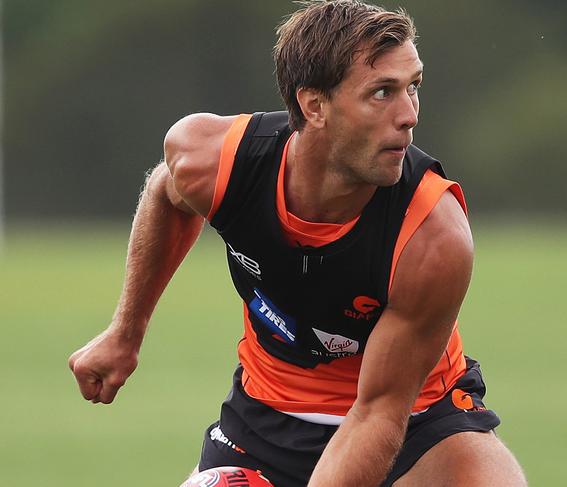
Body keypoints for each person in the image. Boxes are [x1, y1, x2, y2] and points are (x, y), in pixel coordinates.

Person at [68, 1, 527, 485]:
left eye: (413, 87)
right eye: (381, 93)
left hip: (418, 421)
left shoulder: (432, 234)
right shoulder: (215, 161)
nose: (409, 115)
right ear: (314, 106)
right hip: (265, 419)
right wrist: (126, 332)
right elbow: (167, 193)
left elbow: (377, 413)